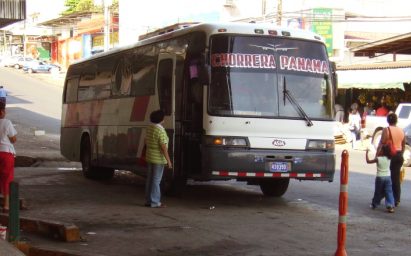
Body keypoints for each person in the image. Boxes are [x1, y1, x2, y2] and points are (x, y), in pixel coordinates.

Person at [144, 110, 172, 208]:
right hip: (158, 159)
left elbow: (146, 141)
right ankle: (155, 202)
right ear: (161, 119)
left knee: (150, 179)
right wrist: (169, 161)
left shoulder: (149, 128)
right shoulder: (160, 130)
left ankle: (148, 200)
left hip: (150, 156)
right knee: (156, 180)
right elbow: (163, 147)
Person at [378, 113, 405, 207]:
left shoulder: (386, 130)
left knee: (385, 177)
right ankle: (397, 199)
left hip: (389, 156)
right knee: (396, 178)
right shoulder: (401, 131)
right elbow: (403, 145)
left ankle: (382, 196)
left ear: (388, 121)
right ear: (396, 120)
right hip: (399, 156)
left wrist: (378, 153)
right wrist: (400, 154)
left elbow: (382, 142)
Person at [366, 145, 395, 213]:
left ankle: (374, 204)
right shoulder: (389, 158)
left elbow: (368, 161)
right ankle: (390, 205)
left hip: (380, 177)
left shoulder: (378, 159)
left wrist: (366, 153)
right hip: (388, 177)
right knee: (389, 192)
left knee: (378, 192)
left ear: (382, 151)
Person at [0, 102, 17, 213]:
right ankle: (6, 205)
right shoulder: (6, 122)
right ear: (1, 112)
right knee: (7, 179)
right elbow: (13, 139)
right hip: (6, 153)